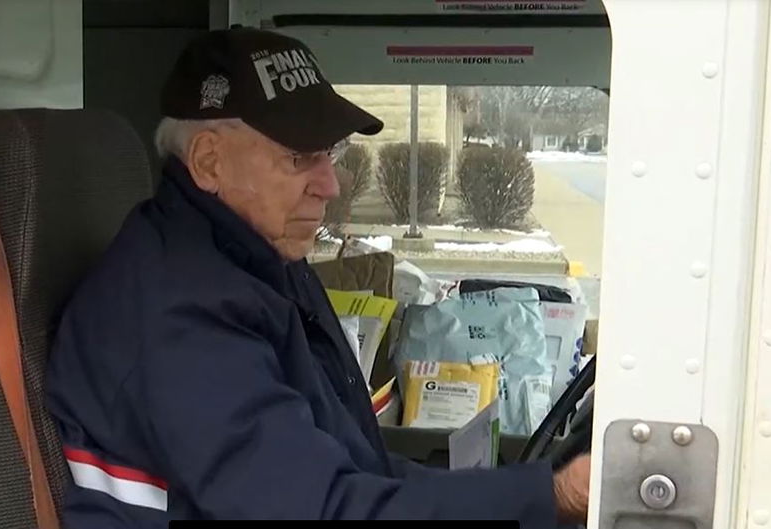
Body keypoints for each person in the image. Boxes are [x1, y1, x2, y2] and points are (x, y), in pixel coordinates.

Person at [45, 27, 591, 527]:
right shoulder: (179, 317)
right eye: (300, 157)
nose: (330, 184)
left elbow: (353, 469)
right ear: (210, 162)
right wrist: (553, 495)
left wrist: (536, 491)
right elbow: (324, 510)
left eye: (329, 152)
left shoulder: (256, 261)